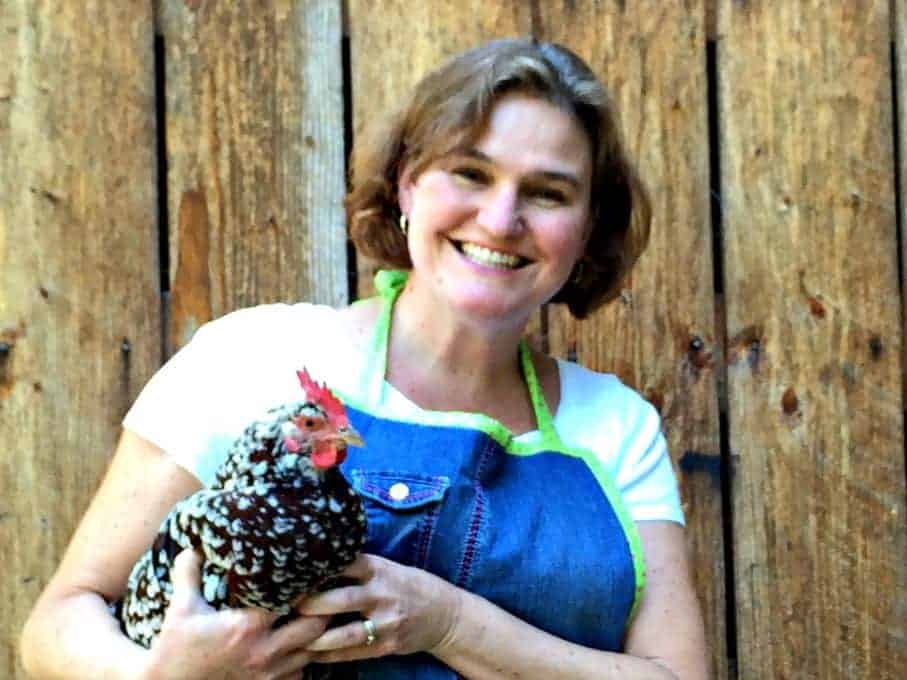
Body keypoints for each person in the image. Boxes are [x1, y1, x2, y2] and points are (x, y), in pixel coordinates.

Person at [21, 38, 707, 679]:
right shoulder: (253, 358)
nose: (500, 221)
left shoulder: (615, 430)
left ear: (586, 228)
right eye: (470, 173)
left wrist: (448, 621)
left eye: (548, 192)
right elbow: (59, 620)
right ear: (407, 184)